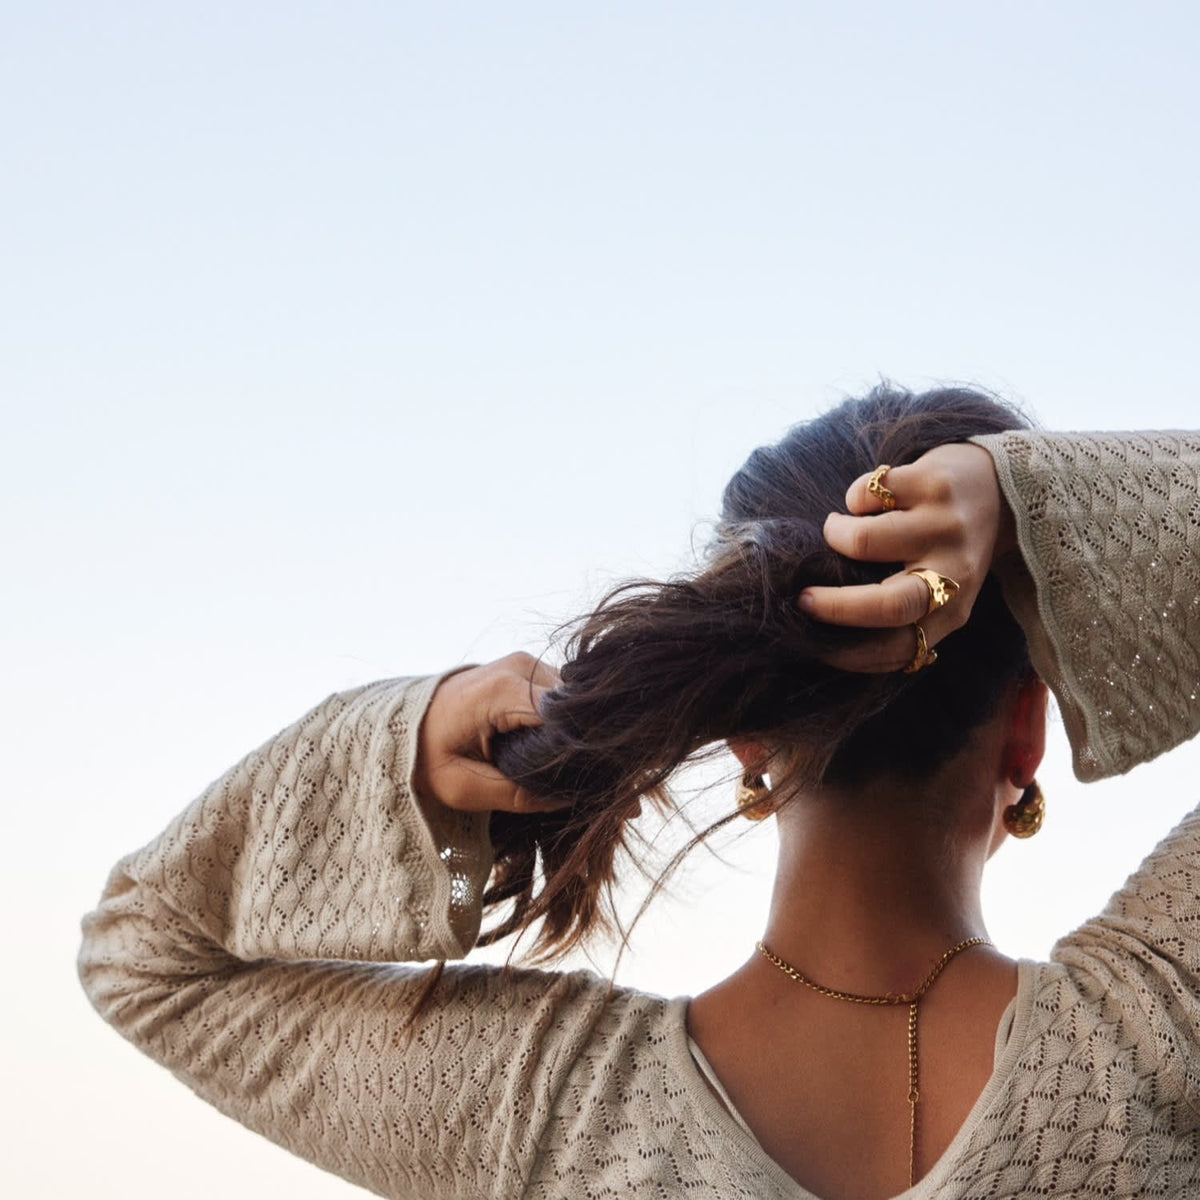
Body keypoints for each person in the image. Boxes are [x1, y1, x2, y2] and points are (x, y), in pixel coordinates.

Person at [78, 385, 1200, 1200]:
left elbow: (142, 953)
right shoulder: (1153, 1034)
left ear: (746, 733)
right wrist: (1029, 498)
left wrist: (412, 739)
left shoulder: (548, 1104)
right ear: (1027, 729)